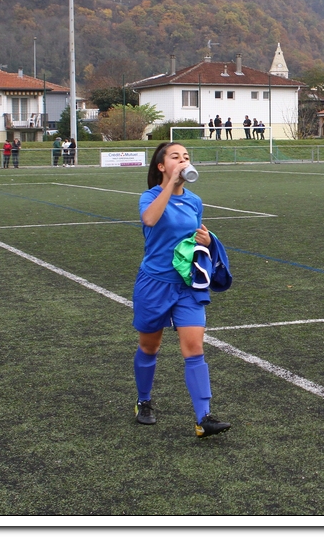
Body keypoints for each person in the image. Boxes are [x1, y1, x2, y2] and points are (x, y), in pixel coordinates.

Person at [131, 142, 230, 438]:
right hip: (154, 284)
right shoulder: (149, 197)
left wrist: (207, 241)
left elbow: (192, 239)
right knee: (150, 347)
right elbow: (150, 219)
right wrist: (171, 184)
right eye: (176, 157)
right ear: (162, 166)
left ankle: (203, 418)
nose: (183, 160)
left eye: (186, 157)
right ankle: (143, 401)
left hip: (187, 285)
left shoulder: (194, 201)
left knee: (195, 348)